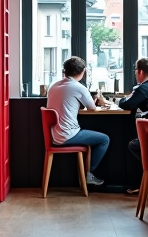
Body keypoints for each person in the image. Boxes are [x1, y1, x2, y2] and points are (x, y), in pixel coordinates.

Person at [45, 55, 110, 187]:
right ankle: (88, 175)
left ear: (65, 71)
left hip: (54, 135)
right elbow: (92, 108)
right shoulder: (78, 87)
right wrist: (98, 101)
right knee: (104, 139)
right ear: (83, 71)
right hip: (68, 135)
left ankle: (86, 175)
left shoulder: (53, 86)